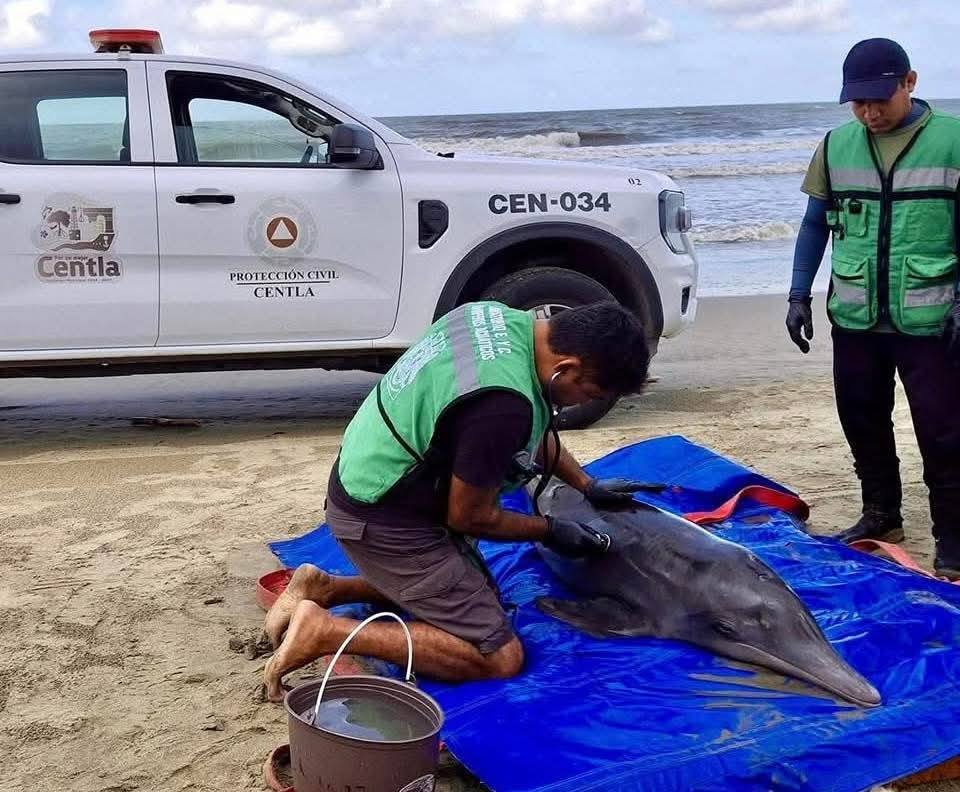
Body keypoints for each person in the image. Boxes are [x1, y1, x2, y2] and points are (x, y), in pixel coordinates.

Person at [261, 300, 655, 699]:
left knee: (481, 603)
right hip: (385, 519)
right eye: (587, 393)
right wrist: (551, 530)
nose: (581, 404)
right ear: (566, 368)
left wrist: (586, 484)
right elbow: (471, 516)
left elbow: (527, 427)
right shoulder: (503, 404)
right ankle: (324, 630)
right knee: (497, 653)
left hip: (367, 477)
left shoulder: (493, 318)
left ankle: (326, 588)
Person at [785, 38, 960, 579]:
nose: (868, 112)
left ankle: (953, 539)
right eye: (857, 102)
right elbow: (816, 224)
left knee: (945, 431)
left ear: (909, 81)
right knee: (861, 418)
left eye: (879, 99)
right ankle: (881, 516)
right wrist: (797, 294)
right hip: (856, 316)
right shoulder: (837, 146)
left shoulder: (953, 141)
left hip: (932, 320)